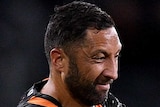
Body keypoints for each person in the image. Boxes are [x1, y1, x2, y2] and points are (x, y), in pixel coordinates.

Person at [17, 1, 126, 107]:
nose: (113, 74)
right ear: (59, 60)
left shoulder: (92, 96)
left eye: (116, 56)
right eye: (99, 58)